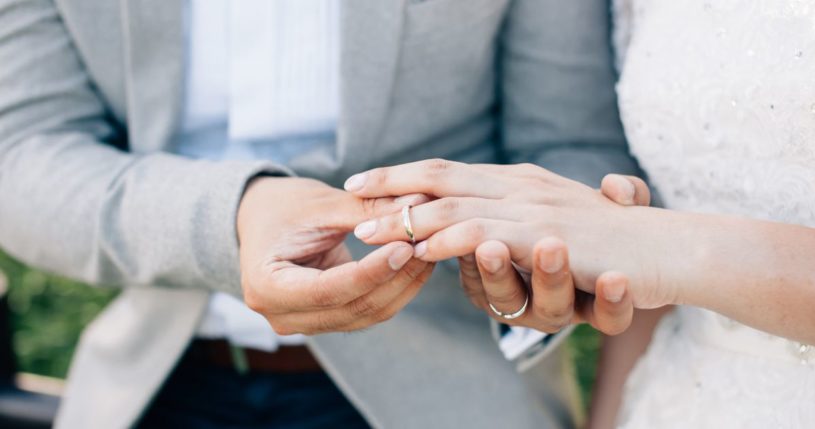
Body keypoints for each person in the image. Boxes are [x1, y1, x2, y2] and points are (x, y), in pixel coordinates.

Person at [0, 0, 644, 428]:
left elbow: (570, 144)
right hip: (150, 385)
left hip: (449, 392)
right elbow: (22, 152)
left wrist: (532, 258)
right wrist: (233, 217)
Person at [345, 1, 815, 427]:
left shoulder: (652, 244)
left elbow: (649, 249)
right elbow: (650, 283)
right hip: (675, 397)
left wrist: (654, 242)